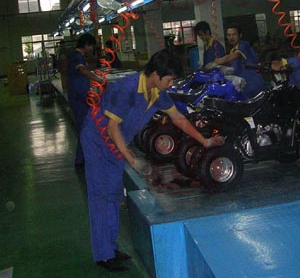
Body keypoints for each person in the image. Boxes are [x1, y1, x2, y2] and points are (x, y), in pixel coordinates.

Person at [80, 50, 224, 272]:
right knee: (101, 195)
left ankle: (111, 247)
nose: (171, 83)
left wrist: (204, 141)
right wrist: (132, 159)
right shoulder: (126, 88)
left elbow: (178, 118)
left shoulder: (158, 93)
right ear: (156, 74)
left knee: (114, 194)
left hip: (117, 143)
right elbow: (111, 127)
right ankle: (103, 255)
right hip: (98, 141)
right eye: (169, 79)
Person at [66, 33, 101, 166]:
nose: (91, 49)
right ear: (86, 45)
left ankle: (83, 157)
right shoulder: (77, 57)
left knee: (85, 127)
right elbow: (83, 71)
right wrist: (99, 79)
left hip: (80, 96)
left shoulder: (77, 56)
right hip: (79, 99)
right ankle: (82, 158)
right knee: (84, 128)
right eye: (91, 46)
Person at [211, 24, 264, 98]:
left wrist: (214, 63)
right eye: (229, 35)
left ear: (240, 35)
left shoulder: (244, 45)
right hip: (244, 86)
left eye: (234, 34)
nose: (231, 37)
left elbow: (234, 55)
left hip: (253, 85)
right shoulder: (232, 50)